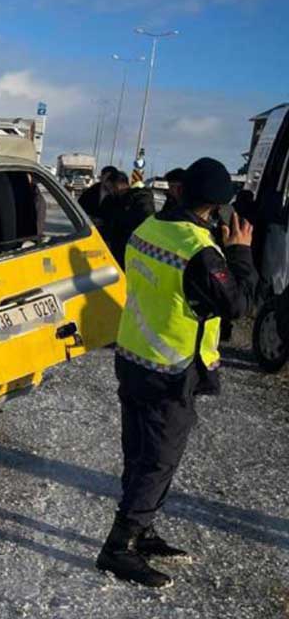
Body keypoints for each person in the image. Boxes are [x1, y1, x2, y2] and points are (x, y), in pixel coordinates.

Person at [97, 157, 258, 588]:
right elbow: (239, 305)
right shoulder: (199, 249)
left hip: (133, 356)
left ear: (182, 190)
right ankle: (119, 547)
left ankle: (143, 531)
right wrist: (240, 252)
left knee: (138, 450)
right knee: (158, 461)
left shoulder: (148, 229)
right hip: (170, 370)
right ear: (218, 206)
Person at [100, 170, 157, 266]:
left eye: (109, 187)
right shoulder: (115, 200)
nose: (109, 191)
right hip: (117, 250)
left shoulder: (141, 198)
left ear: (118, 185)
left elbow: (144, 222)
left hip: (132, 251)